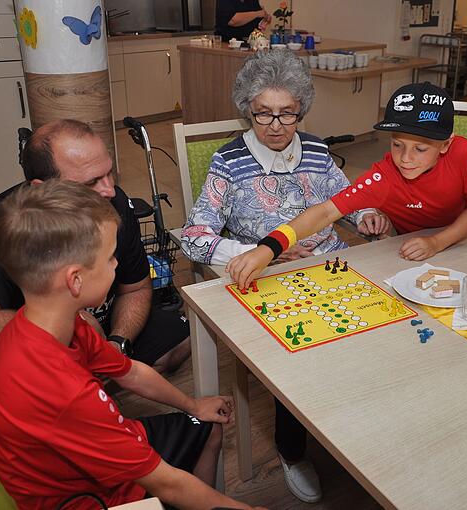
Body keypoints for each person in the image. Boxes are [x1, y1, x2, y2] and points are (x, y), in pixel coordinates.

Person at [0, 180, 260, 510]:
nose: (118, 264)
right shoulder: (67, 391)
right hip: (82, 499)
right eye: (110, 257)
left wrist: (193, 405)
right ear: (75, 280)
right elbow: (167, 484)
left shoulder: (59, 323)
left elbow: (130, 372)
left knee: (206, 426)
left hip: (79, 462)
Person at [182, 49, 378, 503]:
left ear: (301, 110)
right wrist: (258, 254)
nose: (275, 125)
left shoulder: (317, 151)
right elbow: (194, 237)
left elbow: (345, 199)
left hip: (331, 266)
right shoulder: (229, 162)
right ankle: (293, 451)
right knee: (301, 358)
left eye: (286, 114)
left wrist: (366, 214)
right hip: (270, 282)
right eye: (263, 114)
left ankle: (353, 429)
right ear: (247, 110)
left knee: (374, 334)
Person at [0, 120, 191, 461]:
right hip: (15, 362)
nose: (109, 189)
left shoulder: (113, 202)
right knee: (42, 450)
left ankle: (90, 389)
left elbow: (135, 287)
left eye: (109, 173)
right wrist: (62, 322)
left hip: (92, 340)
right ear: (43, 188)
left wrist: (116, 345)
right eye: (90, 182)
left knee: (184, 336)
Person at [227, 81, 467, 290]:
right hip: (407, 248)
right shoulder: (384, 175)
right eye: (397, 145)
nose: (405, 159)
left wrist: (437, 241)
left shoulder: (462, 152)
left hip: (459, 238)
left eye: (420, 149)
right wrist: (267, 248)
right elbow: (324, 213)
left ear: (446, 144)